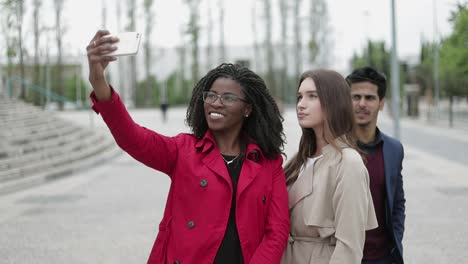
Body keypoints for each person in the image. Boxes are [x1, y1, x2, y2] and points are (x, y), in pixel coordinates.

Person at [86, 30, 290, 264]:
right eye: (211, 95)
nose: (216, 103)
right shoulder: (183, 150)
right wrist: (99, 81)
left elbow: (277, 230)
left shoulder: (268, 163)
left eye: (228, 98)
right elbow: (132, 138)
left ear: (247, 109)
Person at [282, 69, 378, 264]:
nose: (301, 104)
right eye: (300, 97)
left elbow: (349, 248)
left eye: (312, 96)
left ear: (333, 102)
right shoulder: (298, 160)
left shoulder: (348, 162)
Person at [346, 66, 405, 264]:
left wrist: (396, 241)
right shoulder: (335, 148)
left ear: (381, 103)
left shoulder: (394, 150)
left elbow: (397, 202)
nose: (362, 104)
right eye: (356, 97)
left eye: (369, 98)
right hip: (347, 257)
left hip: (385, 257)